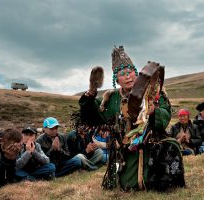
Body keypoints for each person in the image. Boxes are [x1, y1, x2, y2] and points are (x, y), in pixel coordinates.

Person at [79, 46, 184, 191]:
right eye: (122, 74)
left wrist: (154, 111)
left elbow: (165, 115)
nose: (128, 76)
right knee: (127, 185)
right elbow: (91, 118)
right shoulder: (110, 99)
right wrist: (91, 91)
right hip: (124, 149)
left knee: (170, 149)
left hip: (152, 143)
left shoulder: (152, 92)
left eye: (130, 72)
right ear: (116, 79)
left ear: (136, 74)